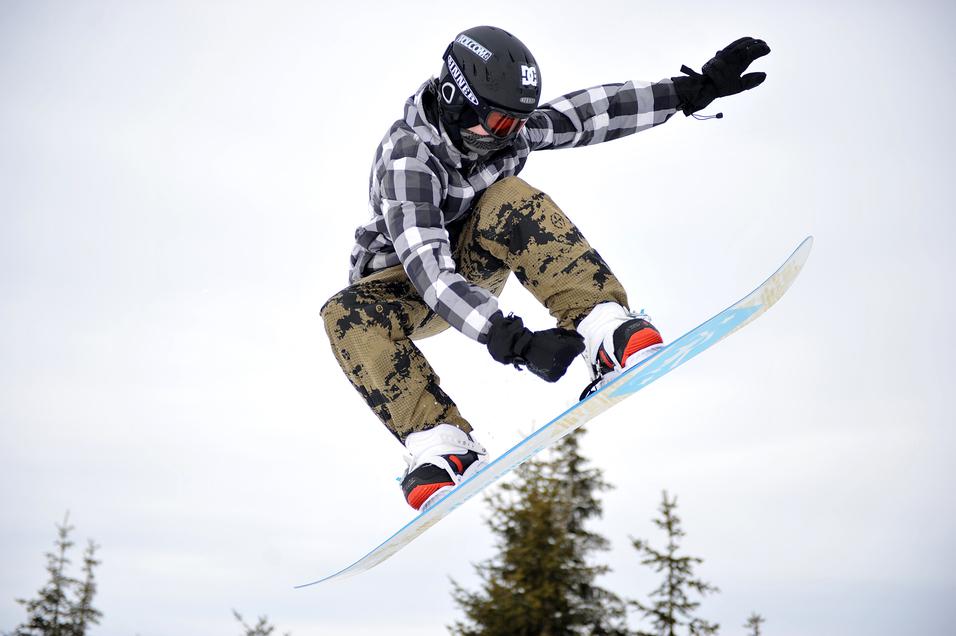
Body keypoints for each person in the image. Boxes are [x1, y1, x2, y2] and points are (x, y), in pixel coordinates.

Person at [321, 26, 770, 511]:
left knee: (508, 196)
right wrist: (513, 340)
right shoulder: (408, 158)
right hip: (404, 288)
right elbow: (429, 269)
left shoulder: (505, 134)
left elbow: (591, 112)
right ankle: (439, 445)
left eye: (515, 124)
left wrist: (689, 91)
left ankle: (605, 329)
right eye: (495, 122)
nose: (505, 137)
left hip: (474, 260)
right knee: (343, 314)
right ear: (455, 100)